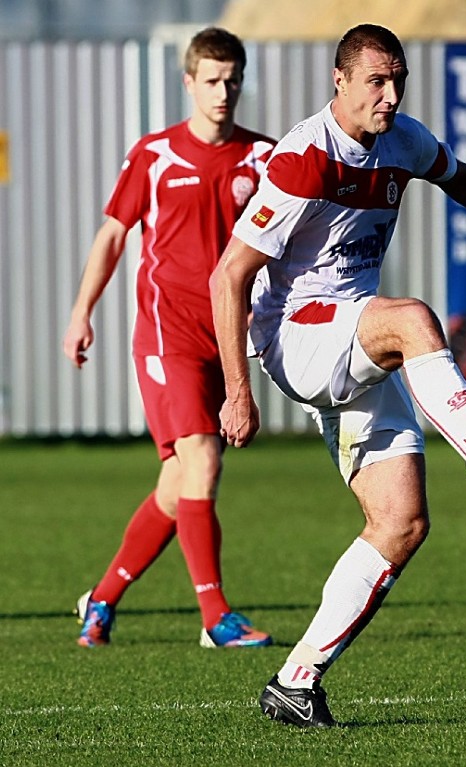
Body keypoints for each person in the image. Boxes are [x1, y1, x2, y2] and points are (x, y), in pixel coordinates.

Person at [210, 23, 466, 726]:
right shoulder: (306, 157)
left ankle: (297, 680)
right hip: (295, 335)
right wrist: (238, 389)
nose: (389, 97)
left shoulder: (402, 139)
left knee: (400, 523)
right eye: (375, 82)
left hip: (353, 333)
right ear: (340, 81)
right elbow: (228, 276)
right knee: (413, 319)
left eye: (398, 82)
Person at [62, 27, 274, 649]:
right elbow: (111, 237)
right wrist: (82, 312)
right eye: (211, 80)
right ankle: (215, 618)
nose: (223, 91)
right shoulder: (154, 155)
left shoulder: (262, 158)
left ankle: (100, 601)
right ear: (188, 83)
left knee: (177, 487)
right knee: (202, 461)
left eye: (232, 79)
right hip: (166, 332)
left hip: (224, 337)